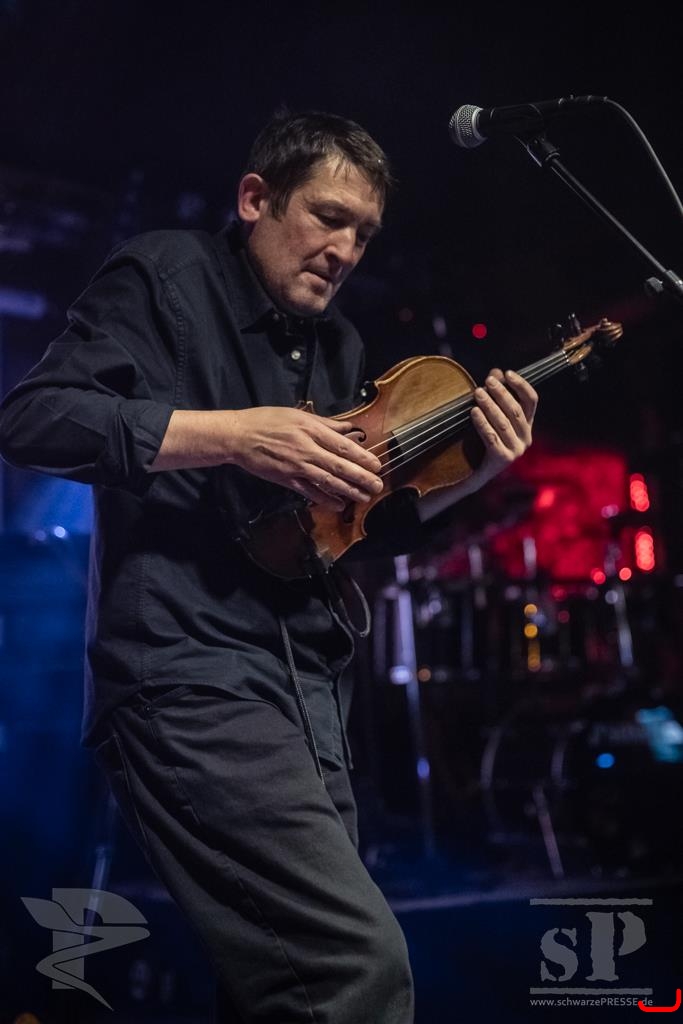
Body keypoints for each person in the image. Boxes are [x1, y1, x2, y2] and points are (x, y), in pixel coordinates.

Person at [0, 110, 537, 1022]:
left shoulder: (339, 347)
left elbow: (357, 527)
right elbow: (34, 419)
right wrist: (235, 435)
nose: (345, 250)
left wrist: (479, 470)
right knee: (353, 968)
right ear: (256, 199)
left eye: (363, 234)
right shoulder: (167, 274)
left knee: (280, 991)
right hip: (187, 676)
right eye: (328, 217)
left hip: (306, 695)